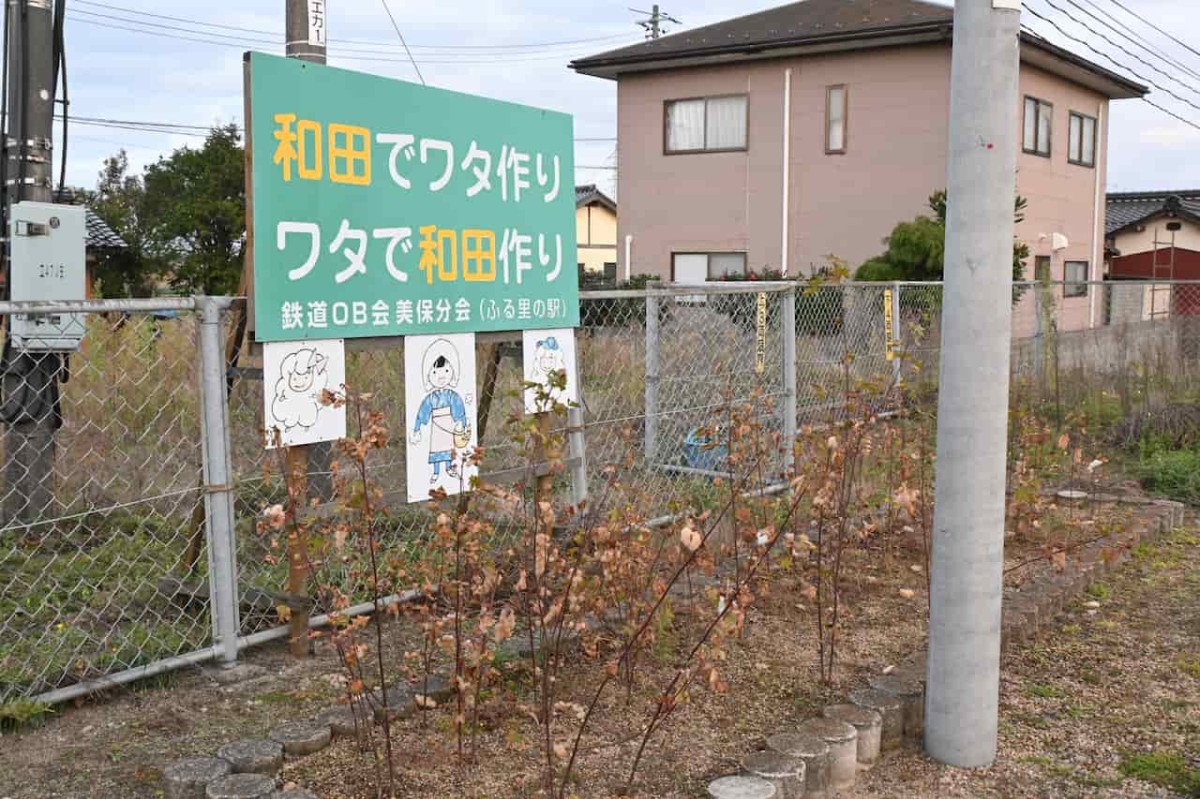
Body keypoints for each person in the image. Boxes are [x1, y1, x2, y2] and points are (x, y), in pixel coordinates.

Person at [410, 338, 470, 484]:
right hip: (437, 424)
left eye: (447, 371)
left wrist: (460, 421)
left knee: (449, 447)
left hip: (448, 422)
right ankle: (436, 472)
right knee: (436, 447)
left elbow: (459, 407)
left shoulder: (451, 395)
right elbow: (423, 412)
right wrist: (417, 428)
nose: (441, 376)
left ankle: (449, 468)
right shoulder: (431, 398)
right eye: (435, 372)